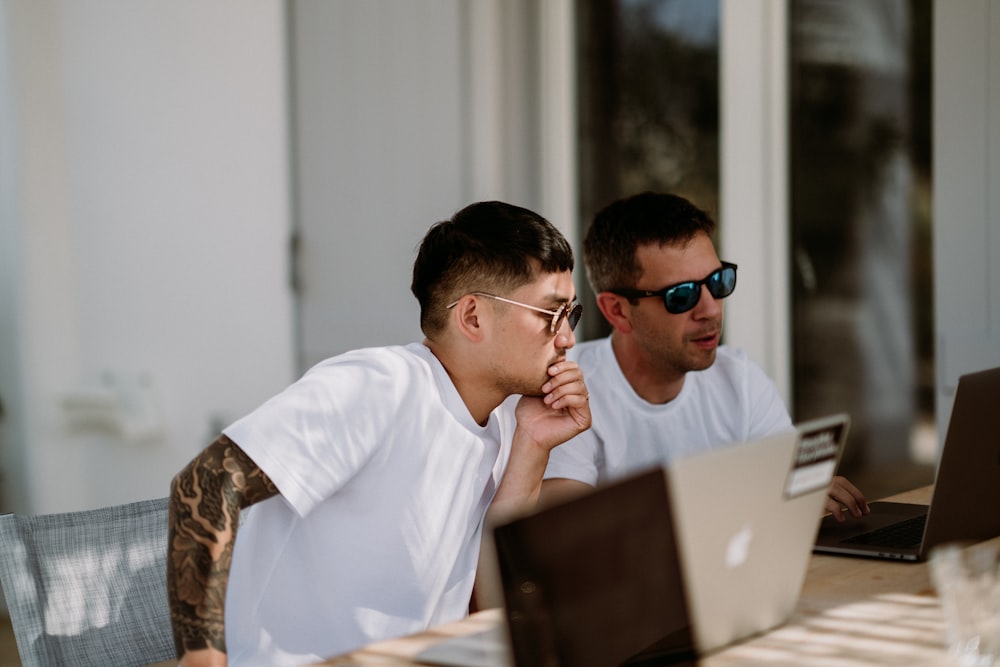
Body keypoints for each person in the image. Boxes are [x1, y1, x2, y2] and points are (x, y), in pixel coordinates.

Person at [167, 201, 591, 667]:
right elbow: (205, 481)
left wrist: (532, 446)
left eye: (571, 314)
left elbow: (488, 609)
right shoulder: (377, 386)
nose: (567, 338)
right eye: (550, 314)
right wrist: (202, 660)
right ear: (472, 317)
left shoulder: (509, 418)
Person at [541, 191, 868, 520]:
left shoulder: (739, 379)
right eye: (681, 295)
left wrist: (806, 494)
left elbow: (786, 496)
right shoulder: (568, 390)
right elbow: (569, 533)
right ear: (617, 311)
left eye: (718, 281)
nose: (710, 309)